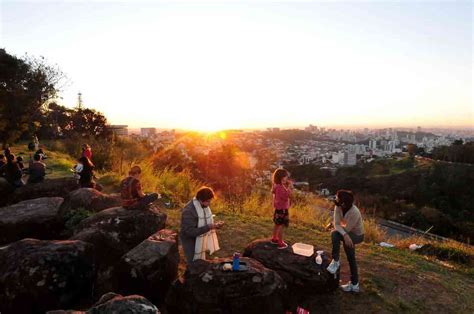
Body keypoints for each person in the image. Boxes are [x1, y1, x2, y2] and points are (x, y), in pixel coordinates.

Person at [326, 190, 365, 293]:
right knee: (335, 234)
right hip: (347, 233)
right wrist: (345, 235)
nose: (335, 198)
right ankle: (336, 261)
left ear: (343, 202)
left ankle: (354, 284)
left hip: (357, 235)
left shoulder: (354, 212)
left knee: (350, 257)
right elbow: (337, 224)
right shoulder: (338, 207)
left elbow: (345, 228)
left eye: (337, 197)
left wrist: (345, 235)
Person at [180, 187, 224, 264]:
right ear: (200, 199)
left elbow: (204, 220)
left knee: (200, 260)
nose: (209, 203)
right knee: (193, 262)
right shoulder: (189, 211)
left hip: (199, 236)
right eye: (208, 201)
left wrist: (215, 225)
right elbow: (190, 232)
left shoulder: (202, 206)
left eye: (210, 201)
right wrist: (209, 227)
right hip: (189, 239)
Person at [271, 168, 292, 249]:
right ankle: (280, 242)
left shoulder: (276, 185)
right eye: (286, 177)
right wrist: (289, 188)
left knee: (277, 224)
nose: (287, 178)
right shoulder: (280, 187)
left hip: (278, 209)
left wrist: (285, 187)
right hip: (283, 209)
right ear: (281, 177)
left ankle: (274, 238)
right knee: (281, 226)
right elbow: (286, 197)